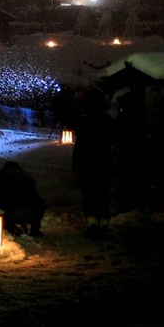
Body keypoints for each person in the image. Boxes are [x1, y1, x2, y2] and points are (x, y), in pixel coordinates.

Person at [71, 86, 115, 240]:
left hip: (87, 162)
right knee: (102, 193)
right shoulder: (107, 120)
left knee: (89, 193)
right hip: (102, 161)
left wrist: (76, 164)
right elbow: (112, 140)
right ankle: (103, 224)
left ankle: (92, 224)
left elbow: (80, 143)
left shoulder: (84, 120)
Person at [0, 161, 47, 236]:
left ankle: (10, 226)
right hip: (32, 211)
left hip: (11, 211)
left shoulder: (2, 176)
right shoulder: (26, 176)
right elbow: (34, 194)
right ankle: (34, 229)